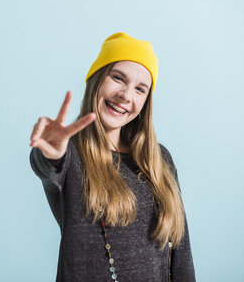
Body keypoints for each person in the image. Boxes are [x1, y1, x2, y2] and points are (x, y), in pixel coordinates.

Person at [29, 32, 195, 282]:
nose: (126, 95)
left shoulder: (161, 159)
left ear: (146, 102)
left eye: (140, 89)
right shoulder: (72, 154)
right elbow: (48, 169)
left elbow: (181, 256)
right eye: (118, 78)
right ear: (96, 79)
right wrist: (51, 153)